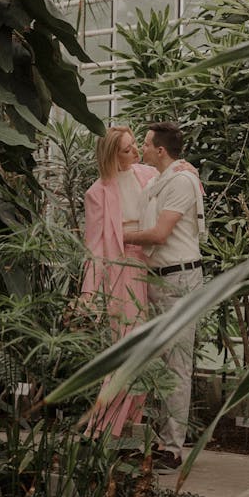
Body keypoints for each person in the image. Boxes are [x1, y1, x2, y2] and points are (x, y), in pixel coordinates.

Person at [123, 122, 204, 473]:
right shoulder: (157, 180)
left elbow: (159, 234)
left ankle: (172, 448)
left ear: (160, 150)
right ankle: (154, 440)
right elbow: (120, 164)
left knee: (177, 364)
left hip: (180, 280)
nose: (140, 149)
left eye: (144, 144)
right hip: (155, 279)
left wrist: (117, 238)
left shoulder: (182, 182)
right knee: (154, 361)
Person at [80, 126, 157, 438]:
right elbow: (95, 245)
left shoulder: (147, 174)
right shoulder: (97, 192)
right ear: (112, 154)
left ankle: (130, 423)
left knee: (146, 346)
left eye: (135, 144)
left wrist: (184, 165)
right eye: (127, 149)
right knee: (128, 345)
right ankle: (105, 424)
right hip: (122, 269)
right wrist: (89, 294)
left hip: (153, 263)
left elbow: (178, 182)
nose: (136, 151)